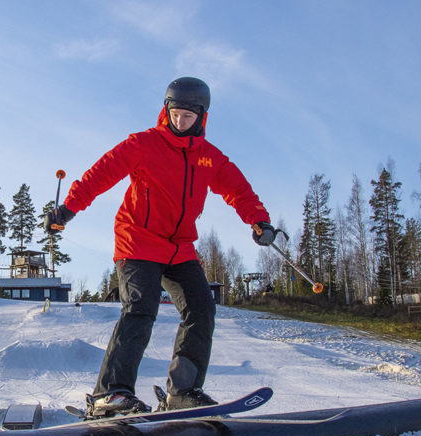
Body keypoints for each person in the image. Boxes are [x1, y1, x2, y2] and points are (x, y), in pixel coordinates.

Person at [44, 76, 276, 418]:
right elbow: (100, 174)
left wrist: (259, 221)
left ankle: (182, 391)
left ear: (202, 117)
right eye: (175, 114)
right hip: (137, 240)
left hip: (179, 247)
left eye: (188, 117)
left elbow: (238, 190)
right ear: (165, 111)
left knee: (201, 308)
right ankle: (111, 393)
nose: (180, 122)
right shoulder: (143, 144)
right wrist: (69, 208)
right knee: (141, 308)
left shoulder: (210, 158)